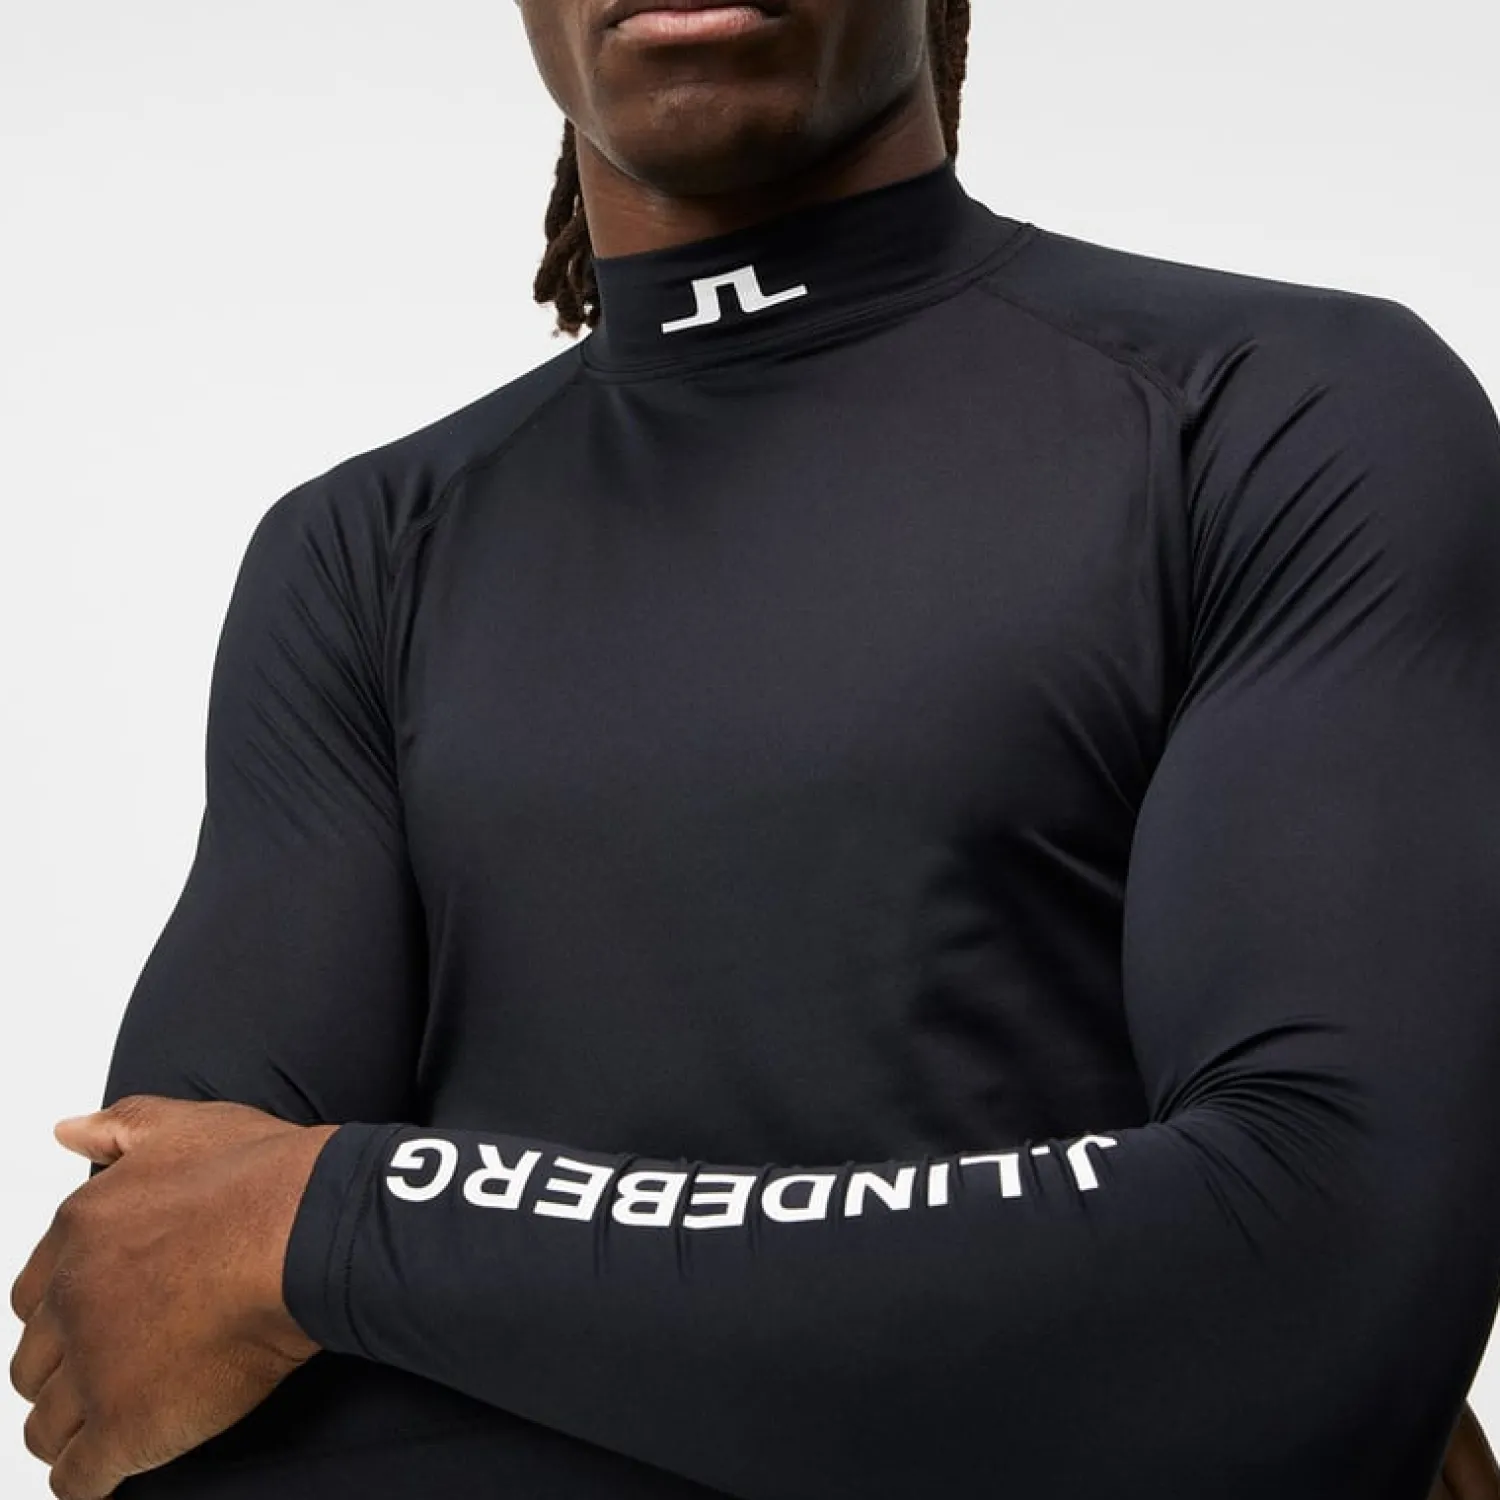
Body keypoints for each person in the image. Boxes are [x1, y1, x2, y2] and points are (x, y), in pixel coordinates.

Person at [9, 1, 1500, 1496]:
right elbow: (146, 1326)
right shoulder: (361, 556)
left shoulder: (1279, 417)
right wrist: (1084, 1358)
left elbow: (1315, 1295)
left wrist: (338, 1226)